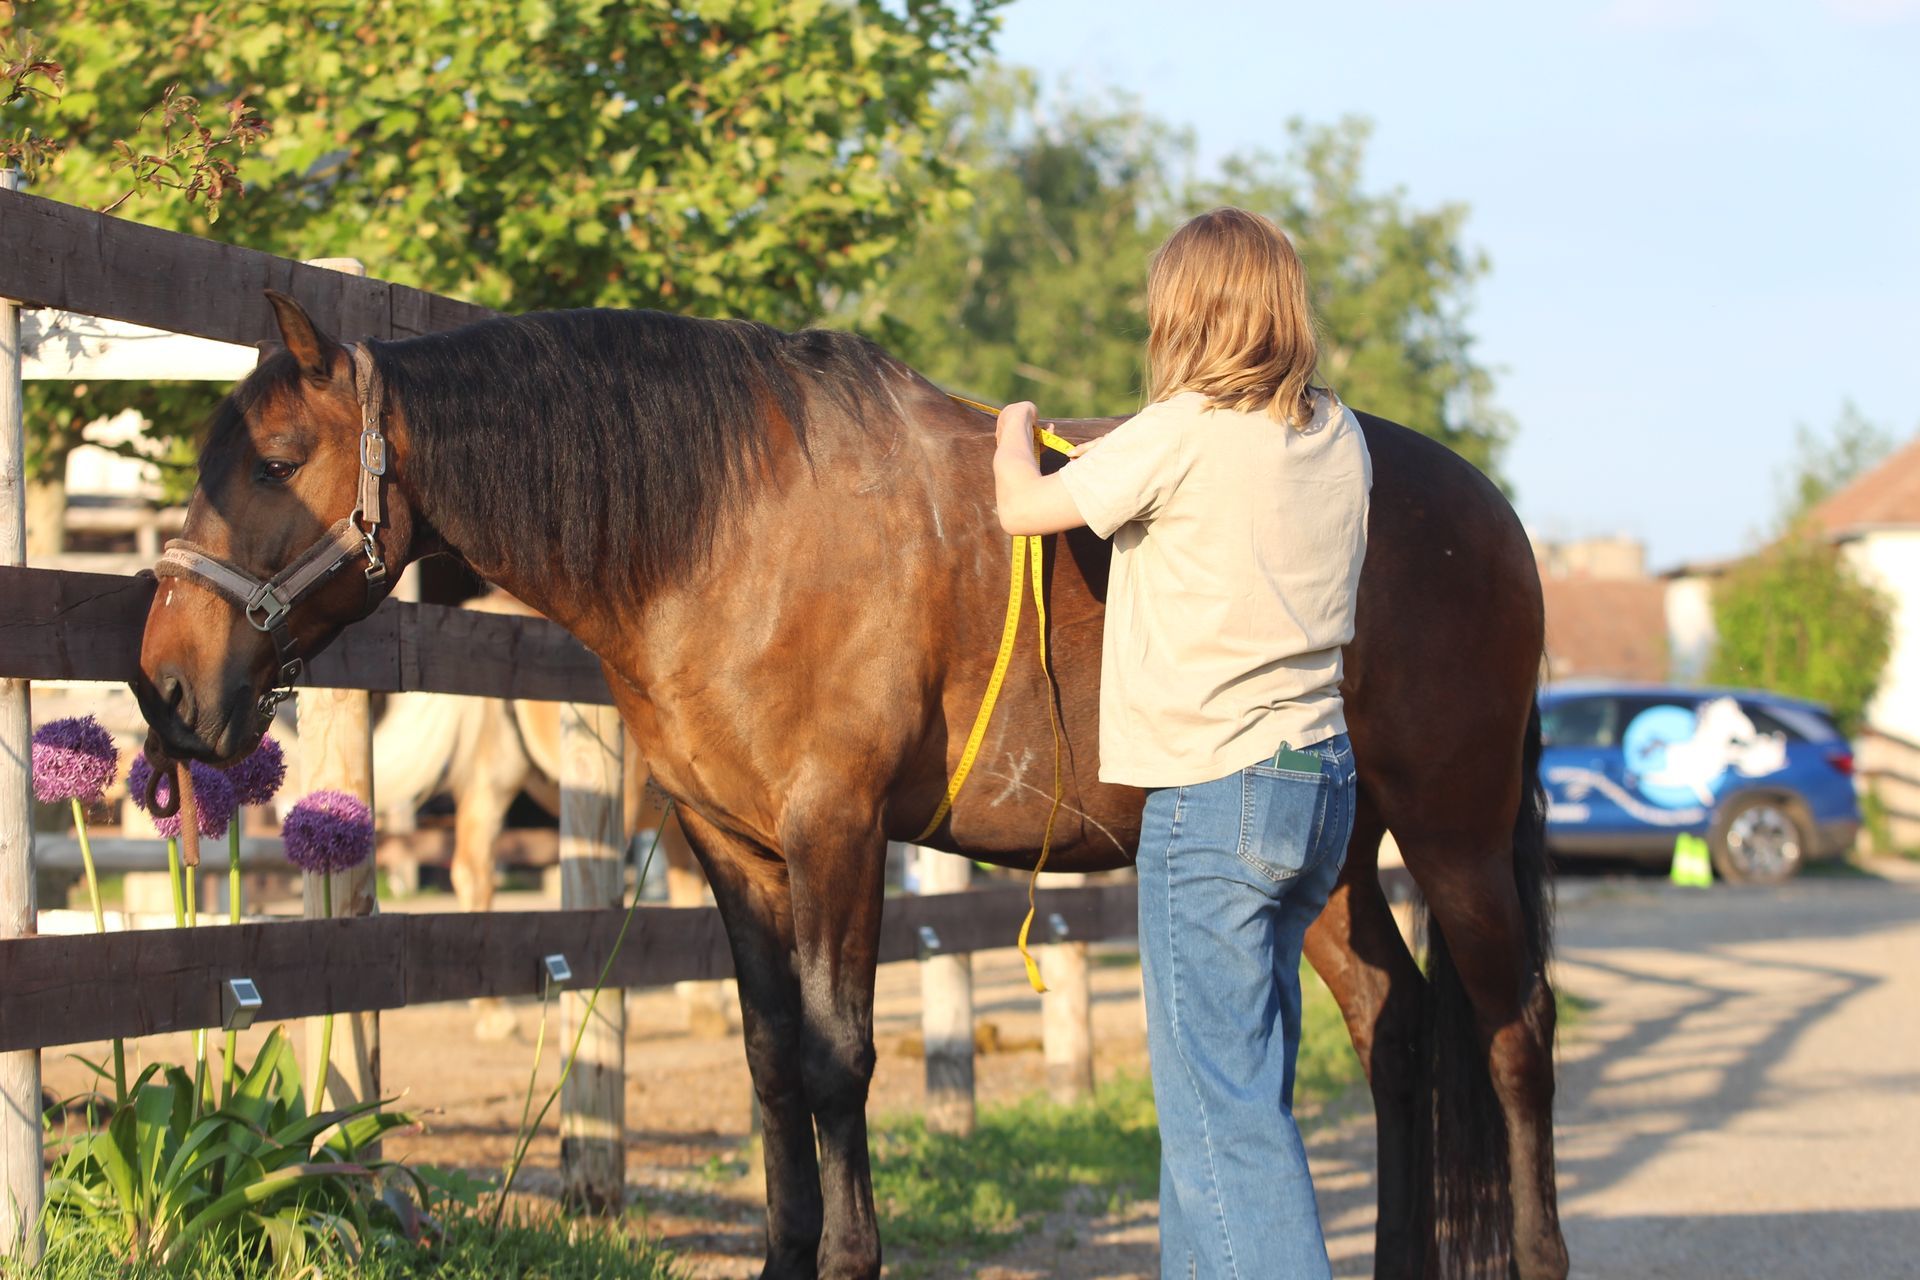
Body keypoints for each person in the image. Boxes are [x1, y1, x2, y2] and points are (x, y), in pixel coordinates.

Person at [991, 206, 1371, 1279]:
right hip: (1317, 783)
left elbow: (1025, 506)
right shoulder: (1334, 432)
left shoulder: (1181, 428)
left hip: (1216, 797)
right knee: (1236, 1094)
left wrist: (1015, 421)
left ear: (1189, 312)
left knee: (1222, 1112)